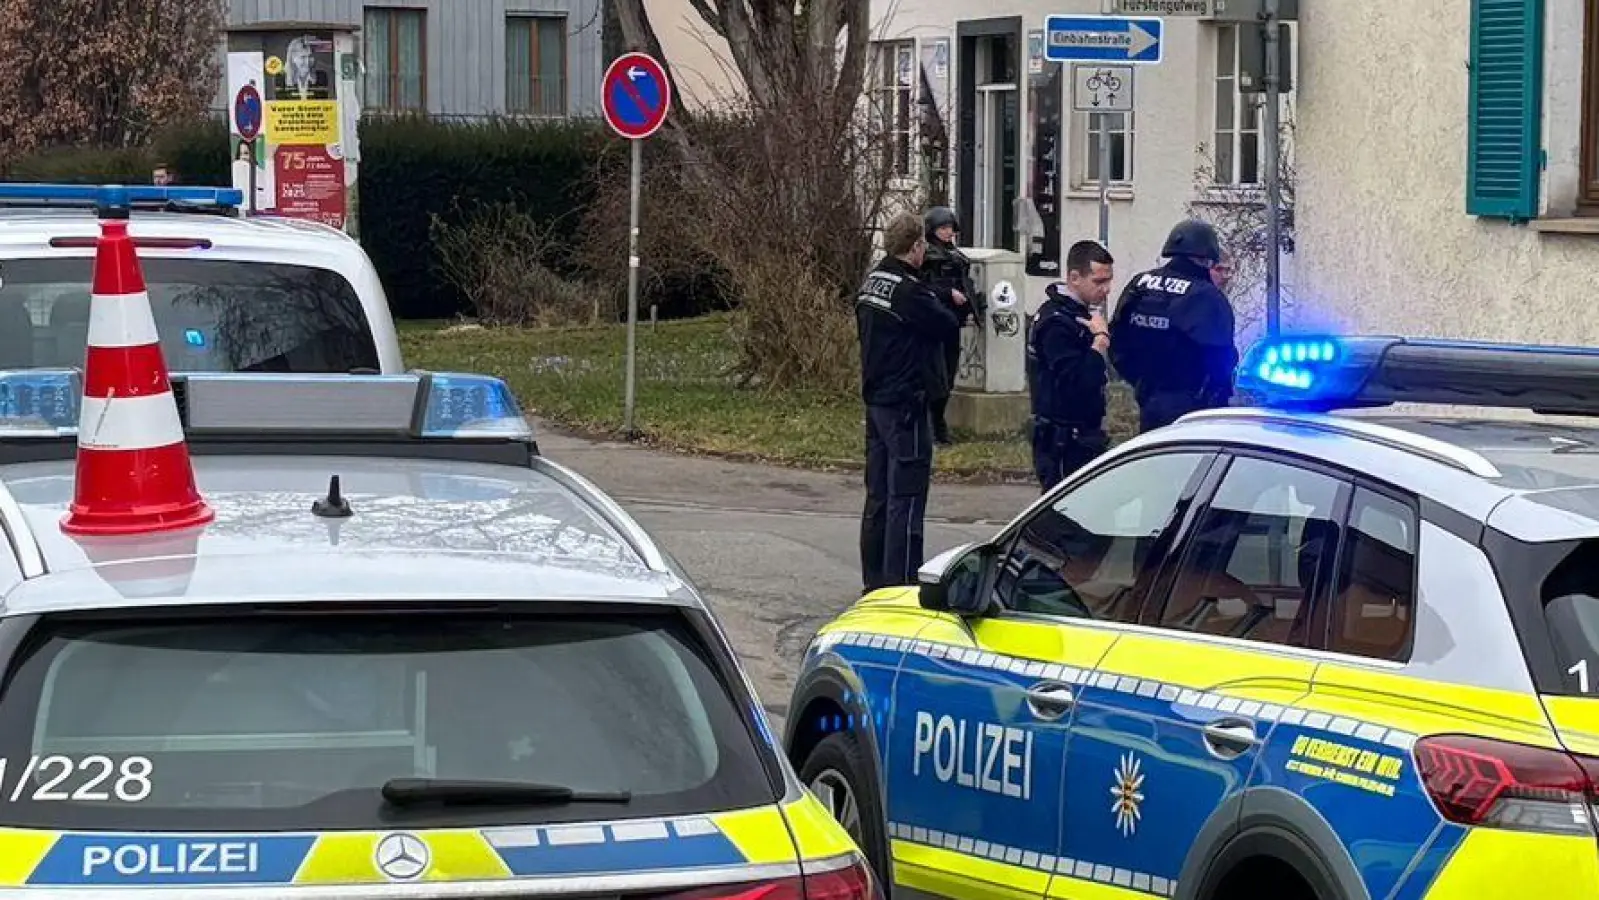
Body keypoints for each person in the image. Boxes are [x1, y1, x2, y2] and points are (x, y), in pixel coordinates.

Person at [857, 213, 964, 593]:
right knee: (907, 497)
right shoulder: (909, 291)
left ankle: (873, 583)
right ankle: (900, 585)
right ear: (916, 247)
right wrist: (944, 296)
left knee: (879, 497)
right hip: (906, 403)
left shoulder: (872, 282)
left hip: (877, 402)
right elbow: (946, 324)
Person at [1109, 219, 1239, 434]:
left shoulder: (1140, 285)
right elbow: (1222, 358)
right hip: (1193, 407)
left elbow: (1118, 343)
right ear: (1205, 259)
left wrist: (1143, 384)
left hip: (1148, 398)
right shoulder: (1206, 296)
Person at [1027, 241, 1115, 492]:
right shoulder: (1056, 323)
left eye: (1109, 281)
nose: (1106, 289)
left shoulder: (1079, 314)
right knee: (1064, 515)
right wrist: (1100, 341)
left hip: (1081, 433)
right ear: (1074, 278)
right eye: (1098, 282)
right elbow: (1078, 379)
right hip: (1063, 439)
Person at [919, 206, 980, 445]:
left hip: (953, 321)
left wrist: (974, 304)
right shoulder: (927, 256)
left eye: (949, 228)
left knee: (948, 375)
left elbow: (965, 281)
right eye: (942, 228)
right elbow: (922, 288)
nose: (947, 233)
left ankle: (938, 423)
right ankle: (935, 426)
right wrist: (948, 292)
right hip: (935, 321)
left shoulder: (954, 254)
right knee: (937, 376)